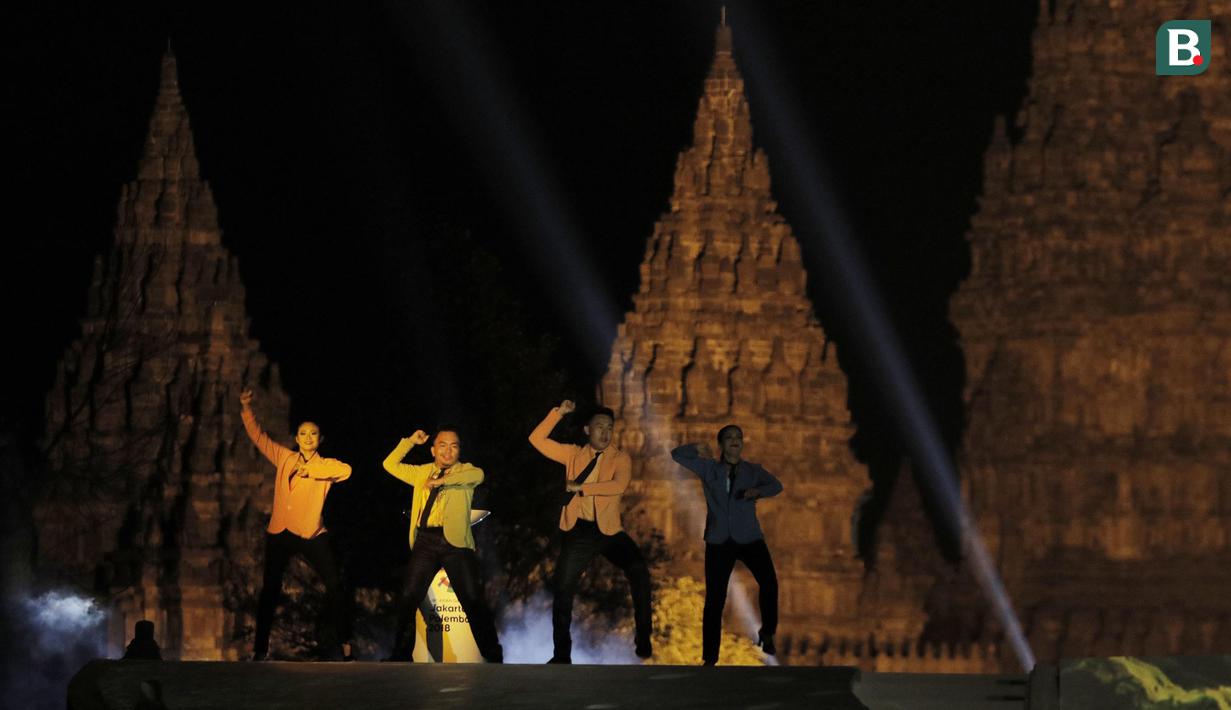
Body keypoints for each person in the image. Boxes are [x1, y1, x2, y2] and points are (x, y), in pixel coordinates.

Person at [529, 400, 652, 663]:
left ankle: (643, 638)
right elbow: (536, 439)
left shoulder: (621, 458)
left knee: (639, 571)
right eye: (599, 427)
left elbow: (618, 485)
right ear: (587, 430)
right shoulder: (573, 454)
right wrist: (558, 413)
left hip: (609, 531)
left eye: (609, 427)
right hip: (580, 531)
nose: (605, 433)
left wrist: (582, 488)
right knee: (562, 590)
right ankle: (561, 654)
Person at [240, 388, 353, 661]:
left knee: (335, 585)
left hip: (312, 532)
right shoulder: (285, 457)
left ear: (320, 439)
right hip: (280, 531)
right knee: (269, 589)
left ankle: (345, 644)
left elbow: (346, 470)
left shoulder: (326, 465)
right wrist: (246, 408)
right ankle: (260, 649)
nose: (308, 438)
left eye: (313, 434)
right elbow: (259, 437)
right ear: (296, 438)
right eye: (303, 434)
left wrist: (310, 470)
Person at [382, 427, 503, 663]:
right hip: (425, 541)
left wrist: (442, 481)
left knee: (472, 599)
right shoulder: (422, 472)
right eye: (442, 445)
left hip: (454, 543)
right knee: (408, 596)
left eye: (454, 446)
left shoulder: (466, 471)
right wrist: (409, 442)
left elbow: (478, 476)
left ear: (459, 450)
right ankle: (401, 655)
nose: (448, 451)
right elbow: (389, 464)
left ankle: (493, 656)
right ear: (433, 449)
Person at [671, 425, 783, 665]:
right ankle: (710, 657)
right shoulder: (709, 468)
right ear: (721, 445)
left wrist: (757, 492)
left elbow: (776, 486)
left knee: (769, 583)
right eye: (729, 437)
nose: (735, 441)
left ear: (742, 444)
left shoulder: (753, 470)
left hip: (749, 537)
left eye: (738, 438)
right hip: (719, 539)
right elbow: (677, 455)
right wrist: (696, 448)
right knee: (715, 599)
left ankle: (767, 632)